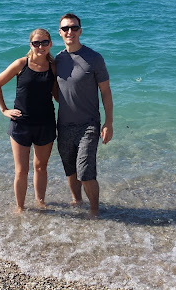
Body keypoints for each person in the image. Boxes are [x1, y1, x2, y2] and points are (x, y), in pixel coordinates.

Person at [0, 28, 57, 213]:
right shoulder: (21, 64)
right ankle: (20, 207)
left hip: (46, 123)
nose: (41, 46)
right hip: (21, 124)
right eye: (36, 43)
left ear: (50, 44)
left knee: (41, 167)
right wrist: (4, 109)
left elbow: (58, 94)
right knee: (21, 171)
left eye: (44, 42)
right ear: (31, 45)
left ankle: (40, 202)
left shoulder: (53, 67)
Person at [55, 13, 113, 217]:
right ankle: (77, 202)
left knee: (85, 172)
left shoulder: (94, 58)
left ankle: (95, 212)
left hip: (89, 124)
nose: (69, 32)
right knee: (70, 171)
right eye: (65, 29)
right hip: (63, 125)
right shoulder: (58, 59)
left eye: (73, 28)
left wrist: (109, 123)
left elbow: (105, 91)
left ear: (80, 31)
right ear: (60, 33)